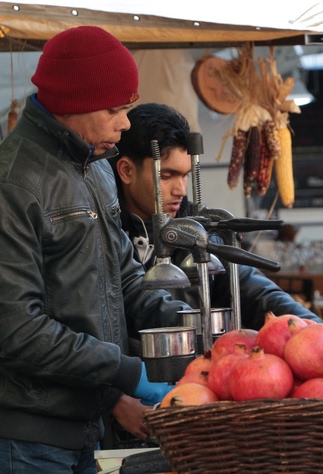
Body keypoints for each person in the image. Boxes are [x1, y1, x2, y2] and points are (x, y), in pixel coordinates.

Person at [0, 26, 195, 473]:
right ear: (73, 101)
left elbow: (125, 277)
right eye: (115, 109)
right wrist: (124, 371)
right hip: (27, 441)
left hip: (83, 432)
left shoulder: (97, 170)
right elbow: (17, 329)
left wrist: (185, 325)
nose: (125, 123)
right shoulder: (14, 184)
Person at [110, 102, 323, 332]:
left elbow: (256, 292)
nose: (181, 190)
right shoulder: (104, 235)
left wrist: (317, 331)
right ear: (126, 171)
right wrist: (196, 327)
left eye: (185, 176)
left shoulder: (198, 234)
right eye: (167, 176)